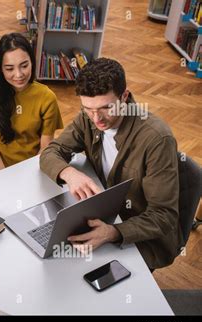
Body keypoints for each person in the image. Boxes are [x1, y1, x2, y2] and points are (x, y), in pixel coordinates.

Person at [40, 58, 184, 270]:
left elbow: (164, 216)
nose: (96, 118)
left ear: (124, 96)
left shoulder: (157, 139)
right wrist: (70, 173)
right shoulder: (88, 117)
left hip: (138, 236)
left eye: (106, 107)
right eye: (88, 108)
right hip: (103, 214)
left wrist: (113, 232)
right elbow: (50, 153)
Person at [0, 33, 63, 177]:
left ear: (32, 62)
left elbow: (45, 146)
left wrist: (29, 174)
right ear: (0, 69)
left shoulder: (46, 97)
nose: (19, 74)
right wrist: (7, 175)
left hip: (33, 170)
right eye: (9, 69)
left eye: (24, 66)